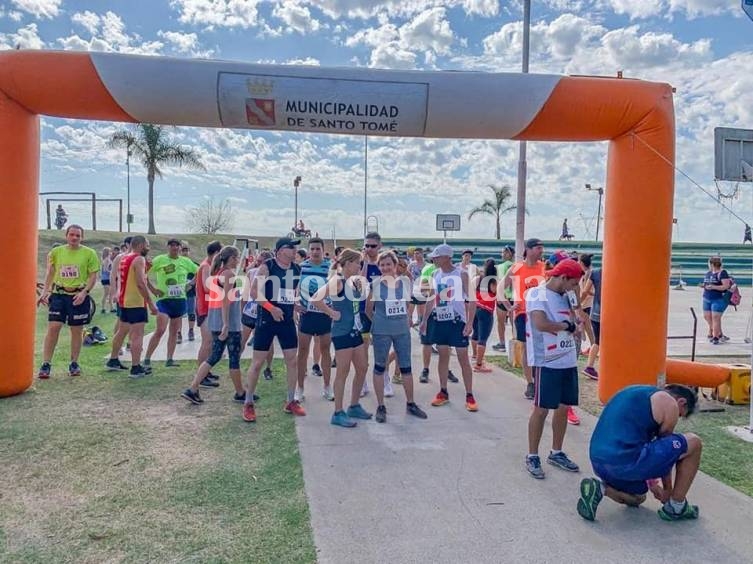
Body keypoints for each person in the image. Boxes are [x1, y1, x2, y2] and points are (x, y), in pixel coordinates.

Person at [577, 384, 701, 522]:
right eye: (680, 414)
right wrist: (668, 490)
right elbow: (666, 455)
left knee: (638, 497)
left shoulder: (635, 391)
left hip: (599, 462)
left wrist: (652, 486)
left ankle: (600, 489)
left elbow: (644, 445)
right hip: (625, 462)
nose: (676, 418)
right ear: (681, 402)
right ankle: (677, 506)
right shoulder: (669, 403)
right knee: (694, 442)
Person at [524, 259, 584, 479]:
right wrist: (566, 326)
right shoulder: (536, 294)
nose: (574, 287)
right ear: (562, 277)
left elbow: (575, 319)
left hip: (567, 359)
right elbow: (540, 324)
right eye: (573, 283)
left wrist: (577, 325)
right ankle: (532, 455)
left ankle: (556, 452)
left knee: (563, 407)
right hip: (546, 360)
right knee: (541, 409)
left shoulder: (567, 296)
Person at [242, 237, 302, 423]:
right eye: (290, 247)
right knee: (258, 363)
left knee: (292, 361)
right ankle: (248, 402)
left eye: (295, 248)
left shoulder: (297, 269)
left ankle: (291, 400)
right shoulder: (267, 266)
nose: (294, 251)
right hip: (267, 319)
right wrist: (271, 308)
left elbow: (291, 293)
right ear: (280, 250)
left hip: (286, 321)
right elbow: (254, 293)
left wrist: (296, 305)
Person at [310, 249, 373, 428]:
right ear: (347, 263)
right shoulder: (336, 280)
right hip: (342, 332)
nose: (359, 266)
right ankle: (337, 412)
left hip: (355, 331)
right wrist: (331, 313)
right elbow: (315, 299)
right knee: (343, 372)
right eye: (357, 263)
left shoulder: (352, 282)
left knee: (362, 368)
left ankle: (354, 405)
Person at [365, 251, 428, 423]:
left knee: (406, 367)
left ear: (395, 265)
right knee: (379, 367)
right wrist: (379, 323)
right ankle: (380, 406)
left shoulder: (405, 282)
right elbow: (368, 310)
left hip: (402, 331)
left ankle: (411, 403)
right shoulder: (376, 284)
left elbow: (408, 304)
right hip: (381, 331)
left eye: (388, 264)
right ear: (379, 267)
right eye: (382, 265)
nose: (385, 268)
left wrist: (406, 319)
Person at [181, 246, 246, 404]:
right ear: (231, 258)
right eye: (237, 258)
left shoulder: (217, 272)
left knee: (215, 356)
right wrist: (226, 324)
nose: (238, 260)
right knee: (233, 358)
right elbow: (225, 301)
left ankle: (193, 388)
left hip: (216, 318)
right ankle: (240, 393)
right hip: (228, 321)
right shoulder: (228, 274)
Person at [420, 244, 478, 412]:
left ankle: (469, 394)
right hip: (439, 320)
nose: (434, 259)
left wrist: (469, 323)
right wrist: (424, 320)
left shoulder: (461, 274)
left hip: (457, 321)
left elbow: (472, 300)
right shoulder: (435, 274)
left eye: (437, 257)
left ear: (446, 257)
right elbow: (431, 299)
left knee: (463, 358)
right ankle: (443, 391)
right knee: (443, 356)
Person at [37, 225, 100, 379]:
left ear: (82, 237)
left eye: (78, 235)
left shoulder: (89, 253)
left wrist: (84, 293)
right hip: (59, 294)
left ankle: (74, 363)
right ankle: (46, 364)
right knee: (54, 327)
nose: (74, 238)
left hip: (78, 296)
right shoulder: (56, 252)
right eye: (71, 234)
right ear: (66, 236)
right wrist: (45, 292)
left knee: (76, 330)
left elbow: (93, 276)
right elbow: (50, 273)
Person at [105, 236, 158, 377]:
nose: (149, 247)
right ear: (140, 245)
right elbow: (141, 283)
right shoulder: (139, 259)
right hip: (135, 302)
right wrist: (151, 303)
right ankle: (136, 367)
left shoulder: (124, 258)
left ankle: (113, 359)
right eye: (147, 245)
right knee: (137, 334)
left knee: (122, 331)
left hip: (124, 301)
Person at [501, 238, 546, 399]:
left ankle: (541, 379)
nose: (541, 251)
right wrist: (508, 306)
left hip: (542, 312)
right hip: (523, 314)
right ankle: (530, 383)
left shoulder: (544, 267)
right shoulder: (516, 268)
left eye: (542, 248)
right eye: (538, 248)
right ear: (528, 249)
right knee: (527, 348)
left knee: (542, 347)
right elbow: (500, 288)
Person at [143, 238, 199, 368]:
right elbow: (143, 273)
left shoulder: (186, 261)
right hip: (164, 300)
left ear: (180, 248)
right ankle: (146, 359)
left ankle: (170, 359)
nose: (175, 248)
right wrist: (152, 289)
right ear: (167, 247)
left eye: (177, 246)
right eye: (172, 246)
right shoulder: (159, 260)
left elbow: (200, 271)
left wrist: (191, 283)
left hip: (179, 300)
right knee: (160, 330)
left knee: (174, 331)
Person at [297, 238, 334, 402]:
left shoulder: (330, 267)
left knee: (325, 349)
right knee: (303, 351)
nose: (315, 252)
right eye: (312, 249)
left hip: (324, 313)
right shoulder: (301, 267)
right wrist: (295, 305)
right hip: (307, 313)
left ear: (323, 250)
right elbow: (293, 287)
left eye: (318, 249)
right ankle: (300, 388)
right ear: (308, 250)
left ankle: (327, 387)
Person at [240, 251, 274, 381]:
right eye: (257, 261)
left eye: (261, 262)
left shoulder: (272, 274)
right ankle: (235, 364)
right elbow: (246, 293)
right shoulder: (251, 272)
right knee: (242, 339)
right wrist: (242, 309)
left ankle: (268, 368)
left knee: (268, 343)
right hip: (250, 311)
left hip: (265, 312)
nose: (258, 264)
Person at [359, 231, 383, 397]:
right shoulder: (361, 264)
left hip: (381, 310)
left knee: (382, 347)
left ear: (379, 246)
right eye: (366, 245)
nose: (369, 249)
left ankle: (385, 379)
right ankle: (362, 382)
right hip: (363, 310)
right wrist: (366, 263)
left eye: (372, 246)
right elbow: (358, 283)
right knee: (363, 348)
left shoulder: (385, 262)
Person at [195, 241, 223, 385]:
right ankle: (201, 376)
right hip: (204, 308)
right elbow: (206, 287)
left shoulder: (210, 266)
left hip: (209, 307)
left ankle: (206, 371)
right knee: (207, 342)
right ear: (216, 253)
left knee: (211, 342)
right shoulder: (206, 266)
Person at [471, 258, 497, 372]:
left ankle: (475, 355)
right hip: (486, 311)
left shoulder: (478, 279)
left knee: (475, 333)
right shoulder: (493, 282)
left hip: (476, 308)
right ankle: (479, 364)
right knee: (483, 338)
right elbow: (498, 296)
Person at [702, 256, 731, 345]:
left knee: (715, 318)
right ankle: (718, 332)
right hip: (707, 297)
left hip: (717, 298)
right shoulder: (708, 273)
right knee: (707, 317)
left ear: (712, 264)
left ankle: (715, 337)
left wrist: (714, 287)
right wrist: (704, 286)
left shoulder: (722, 273)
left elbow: (726, 286)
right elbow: (706, 282)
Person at [492, 245, 514, 352]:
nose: (503, 254)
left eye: (505, 252)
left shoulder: (502, 267)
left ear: (510, 254)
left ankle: (502, 343)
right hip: (513, 297)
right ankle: (516, 341)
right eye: (502, 252)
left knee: (501, 322)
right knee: (514, 322)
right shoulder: (516, 265)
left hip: (504, 297)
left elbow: (499, 282)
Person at [180, 242, 199, 343]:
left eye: (186, 250)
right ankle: (179, 332)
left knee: (191, 313)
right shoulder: (177, 265)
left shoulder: (194, 265)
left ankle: (191, 330)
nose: (185, 252)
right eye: (183, 250)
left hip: (191, 293)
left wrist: (191, 284)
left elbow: (199, 274)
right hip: (179, 294)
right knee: (179, 314)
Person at [100, 247, 113, 312]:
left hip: (106, 278)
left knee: (109, 293)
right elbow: (105, 269)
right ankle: (103, 308)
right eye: (110, 251)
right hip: (106, 278)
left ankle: (110, 307)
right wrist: (112, 272)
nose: (111, 253)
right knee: (107, 293)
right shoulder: (106, 260)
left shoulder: (106, 259)